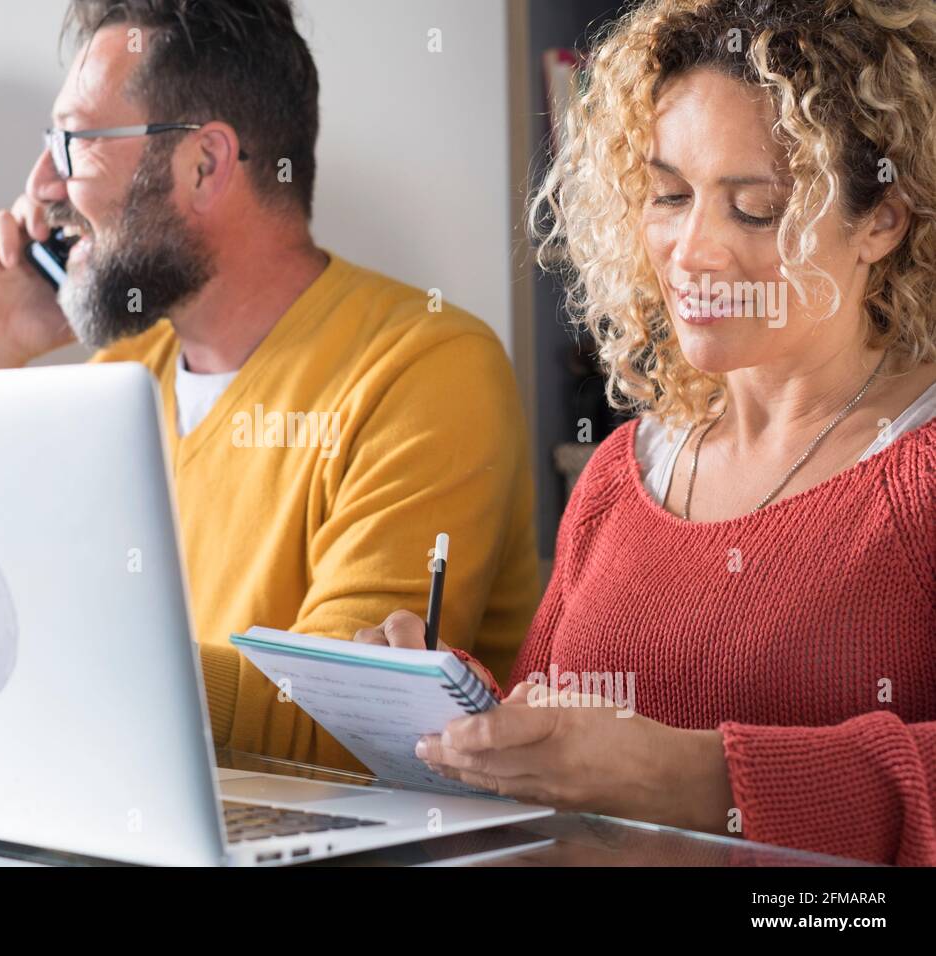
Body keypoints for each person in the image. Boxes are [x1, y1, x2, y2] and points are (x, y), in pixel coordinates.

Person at [357, 0, 936, 865]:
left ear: (882, 220)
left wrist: (695, 777)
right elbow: (561, 765)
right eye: (669, 195)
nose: (692, 250)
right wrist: (466, 720)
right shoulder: (624, 475)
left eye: (755, 207)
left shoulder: (917, 471)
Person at [0, 0, 539, 771]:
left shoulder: (428, 371)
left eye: (74, 140)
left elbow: (336, 723)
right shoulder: (120, 382)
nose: (40, 182)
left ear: (205, 166)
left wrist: (63, 645)